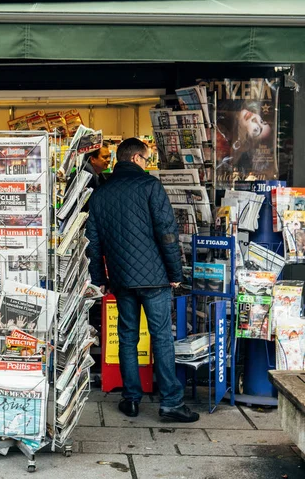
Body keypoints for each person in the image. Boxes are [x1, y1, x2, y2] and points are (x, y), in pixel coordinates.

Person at [85, 137, 199, 423]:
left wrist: (99, 278)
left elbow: (93, 243)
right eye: (146, 159)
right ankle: (171, 403)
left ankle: (131, 399)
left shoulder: (101, 193)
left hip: (122, 279)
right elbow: (167, 234)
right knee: (161, 337)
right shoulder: (150, 186)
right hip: (155, 278)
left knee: (127, 337)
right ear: (136, 158)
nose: (147, 164)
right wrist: (175, 274)